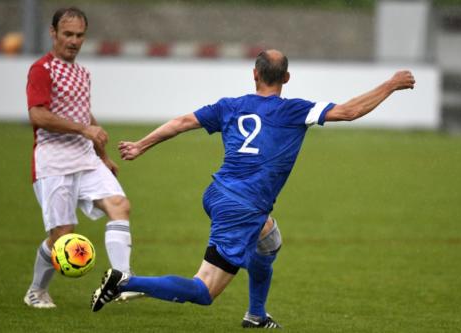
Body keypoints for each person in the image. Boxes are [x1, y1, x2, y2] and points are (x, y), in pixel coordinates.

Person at [91, 49, 415, 328]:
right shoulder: (293, 110)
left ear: (254, 74)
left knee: (269, 240)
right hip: (241, 207)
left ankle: (256, 316)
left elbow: (180, 123)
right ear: (286, 78)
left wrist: (140, 145)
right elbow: (350, 111)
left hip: (221, 194)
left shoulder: (230, 106)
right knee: (204, 291)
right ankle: (124, 282)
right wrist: (391, 84)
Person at [24, 7, 140, 308]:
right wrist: (84, 130)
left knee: (120, 205)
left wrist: (103, 155)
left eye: (79, 35)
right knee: (63, 238)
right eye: (67, 34)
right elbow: (37, 115)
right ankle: (36, 290)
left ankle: (122, 280)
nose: (74, 41)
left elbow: (82, 113)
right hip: (53, 160)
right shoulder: (42, 69)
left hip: (86, 157)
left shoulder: (81, 73)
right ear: (53, 33)